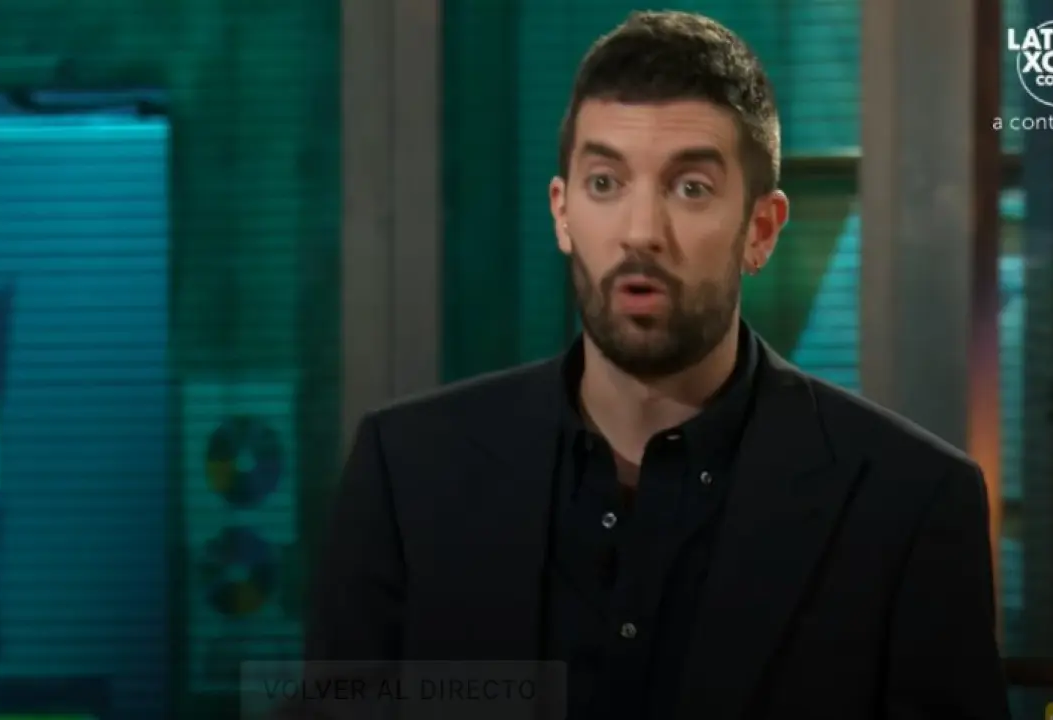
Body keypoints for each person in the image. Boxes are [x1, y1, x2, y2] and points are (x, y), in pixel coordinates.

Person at [307, 10, 1011, 720]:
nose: (641, 233)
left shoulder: (907, 503)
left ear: (761, 229)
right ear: (561, 213)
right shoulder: (408, 472)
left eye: (690, 188)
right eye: (605, 183)